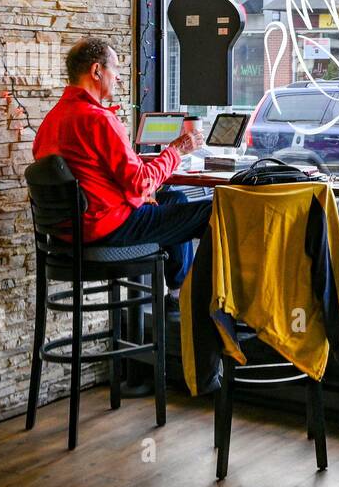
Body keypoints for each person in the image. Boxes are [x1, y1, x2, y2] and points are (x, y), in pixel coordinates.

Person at [32, 37, 211, 294]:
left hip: (65, 233)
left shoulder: (51, 120)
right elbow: (140, 182)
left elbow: (94, 179)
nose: (117, 77)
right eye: (114, 69)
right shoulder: (98, 119)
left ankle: (177, 293)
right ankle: (201, 306)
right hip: (105, 227)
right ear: (96, 71)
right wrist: (177, 150)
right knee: (212, 210)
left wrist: (141, 195)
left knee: (176, 198)